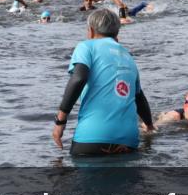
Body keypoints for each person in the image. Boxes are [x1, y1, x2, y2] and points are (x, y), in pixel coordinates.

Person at [52, 9, 155, 155]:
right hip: (128, 141)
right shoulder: (128, 56)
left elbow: (79, 78)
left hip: (91, 138)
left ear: (91, 31)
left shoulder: (86, 46)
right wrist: (150, 127)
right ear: (116, 33)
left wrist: (60, 121)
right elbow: (139, 97)